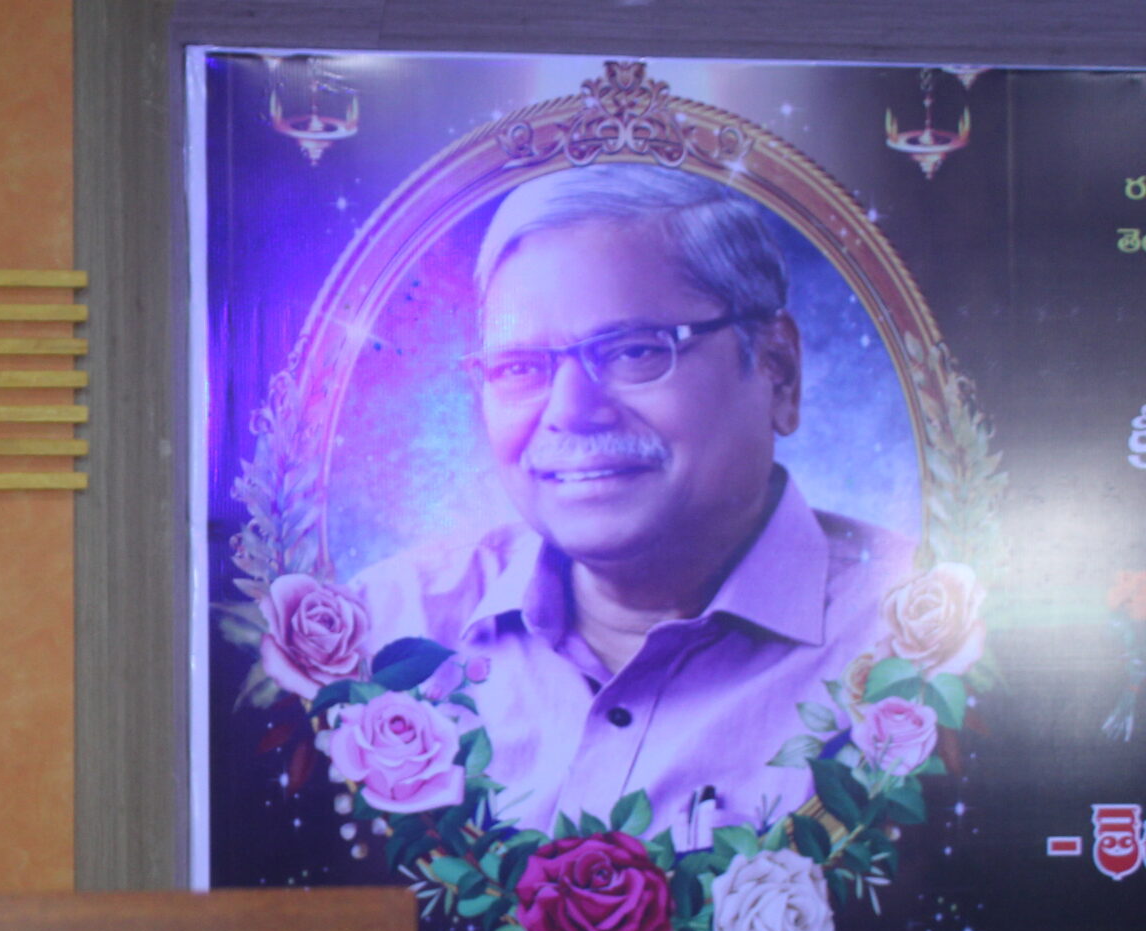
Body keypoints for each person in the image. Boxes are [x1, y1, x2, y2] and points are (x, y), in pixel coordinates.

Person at [346, 164, 915, 840]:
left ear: (778, 370)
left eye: (634, 352)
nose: (570, 410)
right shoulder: (380, 629)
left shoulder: (925, 645)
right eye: (520, 367)